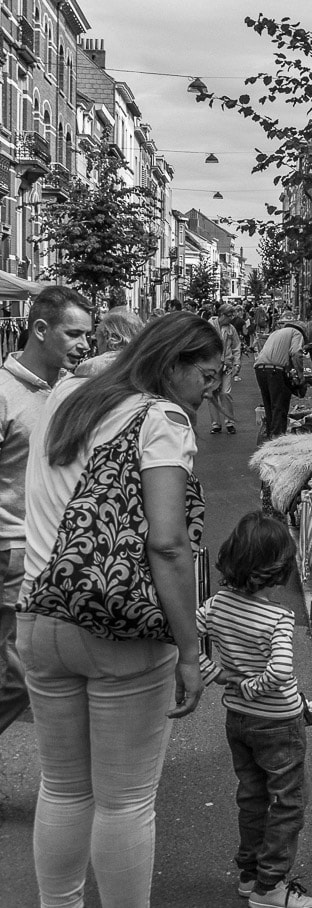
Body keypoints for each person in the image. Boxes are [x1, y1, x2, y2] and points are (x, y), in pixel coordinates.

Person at [15, 311, 220, 907]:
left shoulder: (70, 397)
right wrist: (189, 649)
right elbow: (168, 541)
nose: (210, 388)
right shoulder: (161, 419)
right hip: (116, 624)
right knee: (126, 799)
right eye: (205, 374)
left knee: (63, 788)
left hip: (40, 613)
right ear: (172, 363)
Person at [197, 513, 312, 908]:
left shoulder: (215, 606)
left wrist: (214, 673)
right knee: (287, 803)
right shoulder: (277, 618)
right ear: (280, 569)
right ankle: (271, 887)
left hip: (238, 720)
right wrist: (255, 686)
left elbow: (178, 635)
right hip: (278, 723)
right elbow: (282, 670)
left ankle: (249, 875)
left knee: (251, 797)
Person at [0, 286, 92, 737]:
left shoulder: (65, 392)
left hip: (52, 553)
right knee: (20, 672)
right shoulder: (3, 394)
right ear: (40, 330)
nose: (85, 344)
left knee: (37, 667)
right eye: (74, 333)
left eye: (87, 335)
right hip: (12, 549)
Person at [254, 319, 308, 442]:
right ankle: (277, 439)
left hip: (260, 369)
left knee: (269, 405)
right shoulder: (296, 333)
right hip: (275, 370)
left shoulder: (276, 333)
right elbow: (296, 353)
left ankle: (269, 436)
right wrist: (300, 374)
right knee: (279, 405)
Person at [76, 307, 144, 378]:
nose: (97, 346)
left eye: (97, 339)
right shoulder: (146, 364)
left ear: (107, 337)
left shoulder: (88, 368)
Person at [210, 304, 242, 435]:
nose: (232, 318)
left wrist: (237, 363)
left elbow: (236, 346)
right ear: (222, 315)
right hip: (212, 366)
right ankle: (216, 424)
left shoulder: (231, 329)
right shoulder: (210, 327)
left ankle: (229, 422)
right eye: (230, 316)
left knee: (225, 393)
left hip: (227, 365)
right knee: (212, 394)